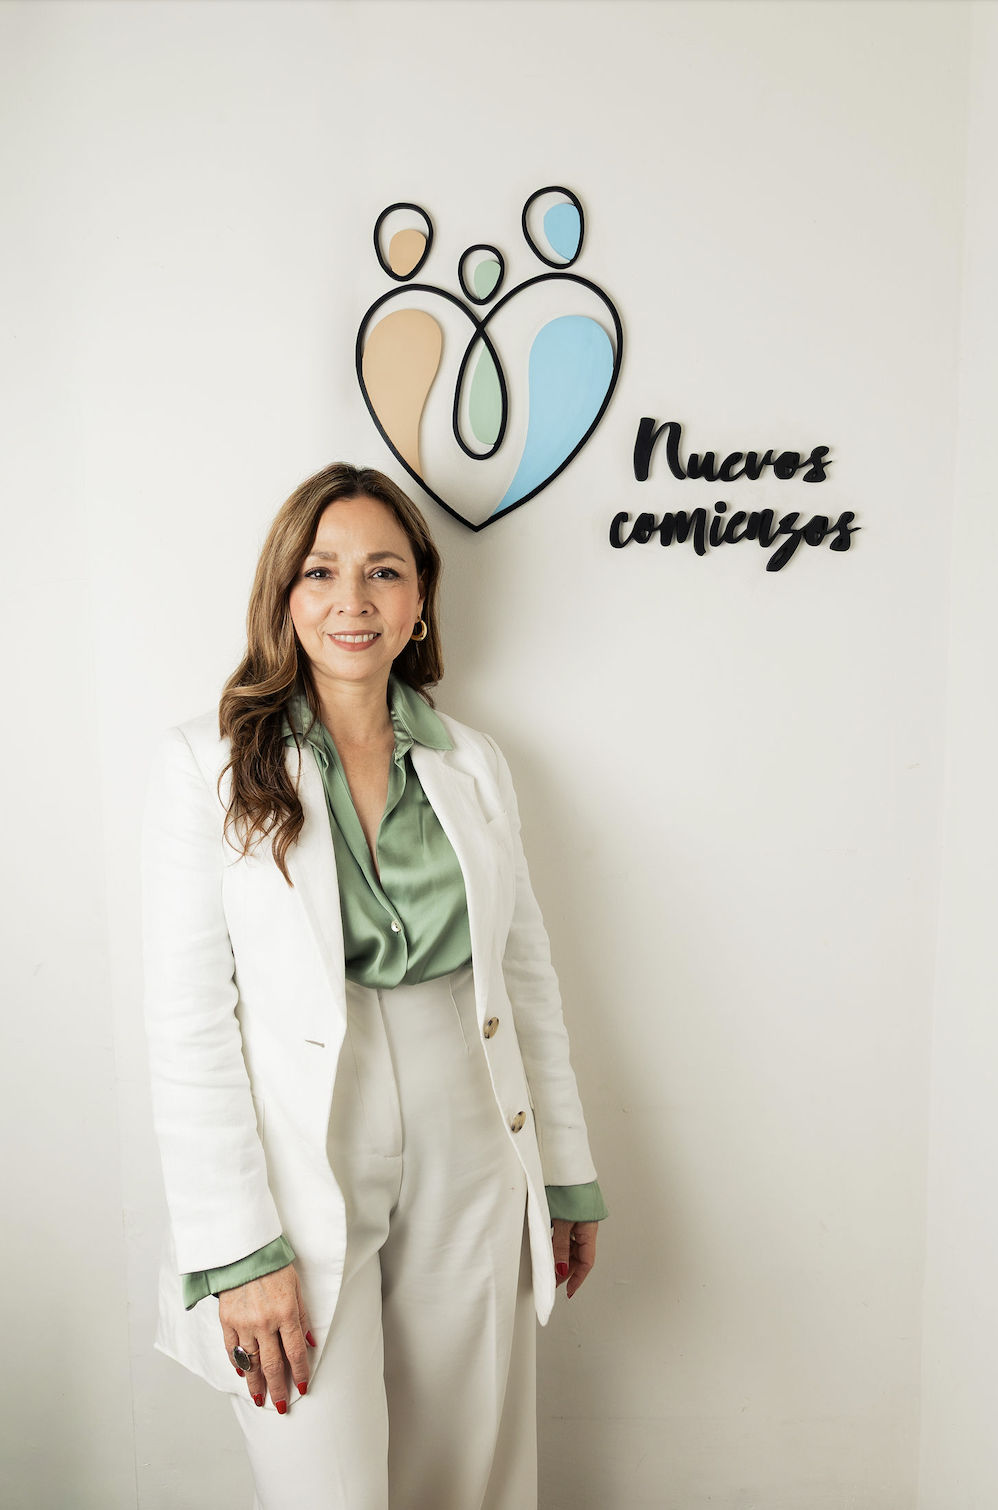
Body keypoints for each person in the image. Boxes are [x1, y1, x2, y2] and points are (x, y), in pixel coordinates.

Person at [142, 463, 607, 1510]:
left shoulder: (474, 762)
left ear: (418, 598)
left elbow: (523, 974)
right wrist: (235, 1249)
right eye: (321, 571)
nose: (352, 599)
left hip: (469, 1119)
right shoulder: (205, 765)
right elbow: (186, 1020)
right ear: (283, 593)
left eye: (383, 571)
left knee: (461, 1472)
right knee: (324, 1483)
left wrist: (564, 1170)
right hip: (299, 1134)